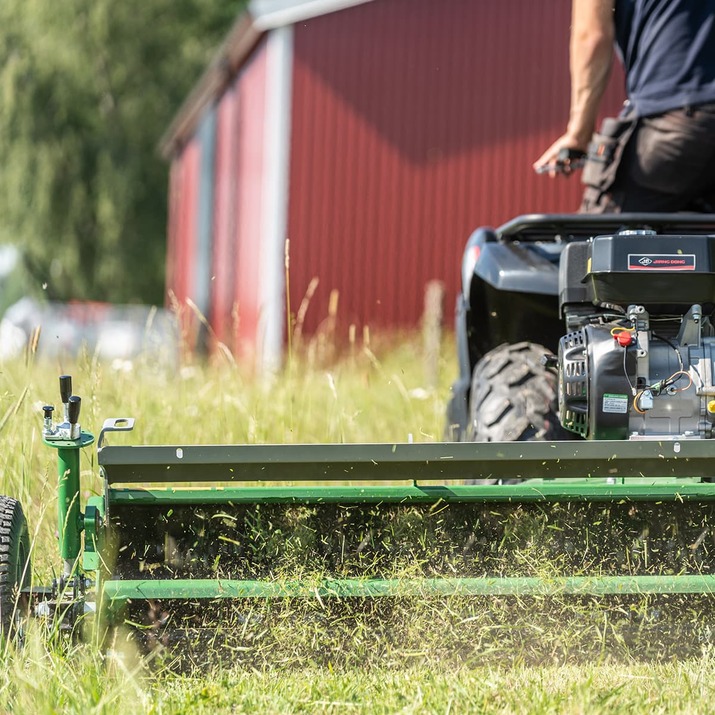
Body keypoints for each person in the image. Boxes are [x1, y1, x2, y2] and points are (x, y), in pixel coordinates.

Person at [533, 0, 715, 213]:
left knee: (594, 237)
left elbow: (590, 37)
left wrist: (579, 134)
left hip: (675, 115)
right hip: (684, 115)